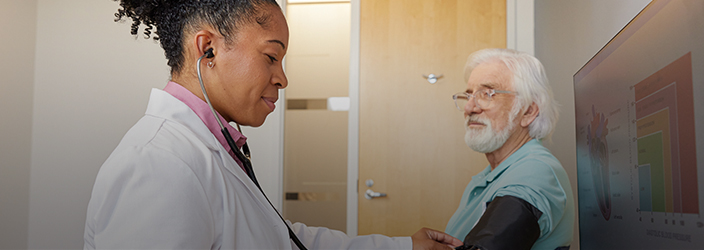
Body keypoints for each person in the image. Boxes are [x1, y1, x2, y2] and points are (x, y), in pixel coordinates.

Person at [84, 0, 461, 249]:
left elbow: (283, 239)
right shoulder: (159, 165)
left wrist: (405, 247)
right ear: (207, 49)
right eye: (271, 56)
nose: (282, 78)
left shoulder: (208, 150)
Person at [446, 48, 575, 250]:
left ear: (528, 111)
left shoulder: (534, 173)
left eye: (487, 94)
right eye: (469, 95)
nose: (470, 108)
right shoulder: (493, 175)